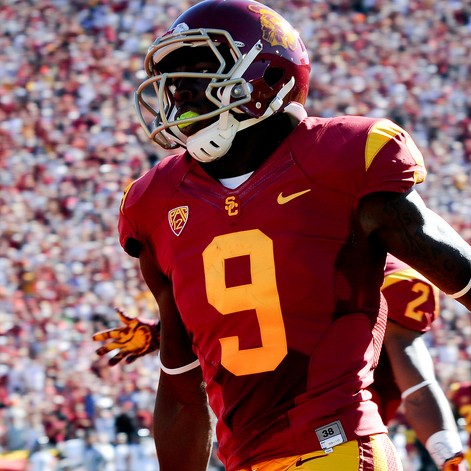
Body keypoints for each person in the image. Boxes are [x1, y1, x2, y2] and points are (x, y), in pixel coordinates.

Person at [97, 0, 471, 469]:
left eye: (200, 70)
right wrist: (156, 336)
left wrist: (449, 455)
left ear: (270, 74)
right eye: (176, 79)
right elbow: (180, 384)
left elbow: (460, 280)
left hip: (338, 449)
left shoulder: (344, 160)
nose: (183, 90)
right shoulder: (154, 203)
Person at [93, 255, 467, 471]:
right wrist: (449, 456)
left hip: (320, 442)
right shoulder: (315, 242)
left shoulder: (379, 271)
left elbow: (417, 388)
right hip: (292, 442)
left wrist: (448, 454)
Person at [373, 255, 465, 470]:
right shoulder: (392, 274)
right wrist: (451, 462)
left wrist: (451, 460)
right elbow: (419, 392)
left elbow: (418, 392)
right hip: (332, 434)